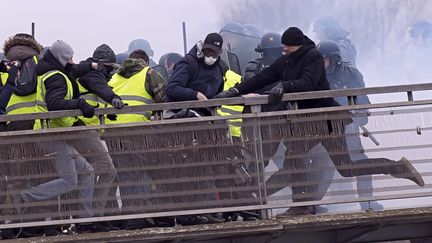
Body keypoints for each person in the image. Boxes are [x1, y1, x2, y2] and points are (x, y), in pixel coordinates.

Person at [215, 27, 425, 216]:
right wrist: (235, 90)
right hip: (311, 122)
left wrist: (284, 86)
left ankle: (397, 169)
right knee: (303, 157)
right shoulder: (287, 60)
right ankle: (302, 205)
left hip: (327, 120)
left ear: (297, 45)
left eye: (288, 47)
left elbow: (308, 83)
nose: (285, 50)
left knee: (343, 167)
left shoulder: (312, 56)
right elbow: (263, 77)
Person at [166, 32, 244, 224]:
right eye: (208, 51)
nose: (211, 56)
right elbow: (172, 89)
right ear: (202, 48)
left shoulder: (219, 68)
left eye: (215, 53)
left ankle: (212, 209)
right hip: (187, 123)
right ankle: (195, 211)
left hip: (208, 124)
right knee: (195, 168)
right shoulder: (188, 63)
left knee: (212, 166)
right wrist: (194, 94)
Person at [28, 40, 104, 233]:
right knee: (71, 181)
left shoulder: (55, 70)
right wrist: (80, 104)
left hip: (55, 133)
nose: (72, 60)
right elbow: (55, 104)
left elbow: (75, 69)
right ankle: (25, 197)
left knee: (87, 171)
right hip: (49, 135)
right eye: (69, 57)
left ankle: (86, 220)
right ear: (62, 58)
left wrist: (91, 65)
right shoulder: (56, 77)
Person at [317, 40, 384, 211]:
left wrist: (358, 118)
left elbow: (363, 99)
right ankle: (311, 205)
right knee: (323, 167)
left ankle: (367, 202)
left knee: (362, 163)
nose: (320, 63)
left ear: (334, 59)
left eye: (323, 59)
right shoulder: (315, 75)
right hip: (322, 129)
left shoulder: (351, 74)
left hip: (347, 128)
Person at [104, 49, 165, 229]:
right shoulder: (150, 73)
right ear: (145, 62)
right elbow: (163, 98)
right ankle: (135, 217)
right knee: (138, 172)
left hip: (112, 131)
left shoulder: (115, 77)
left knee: (124, 173)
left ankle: (123, 215)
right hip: (137, 130)